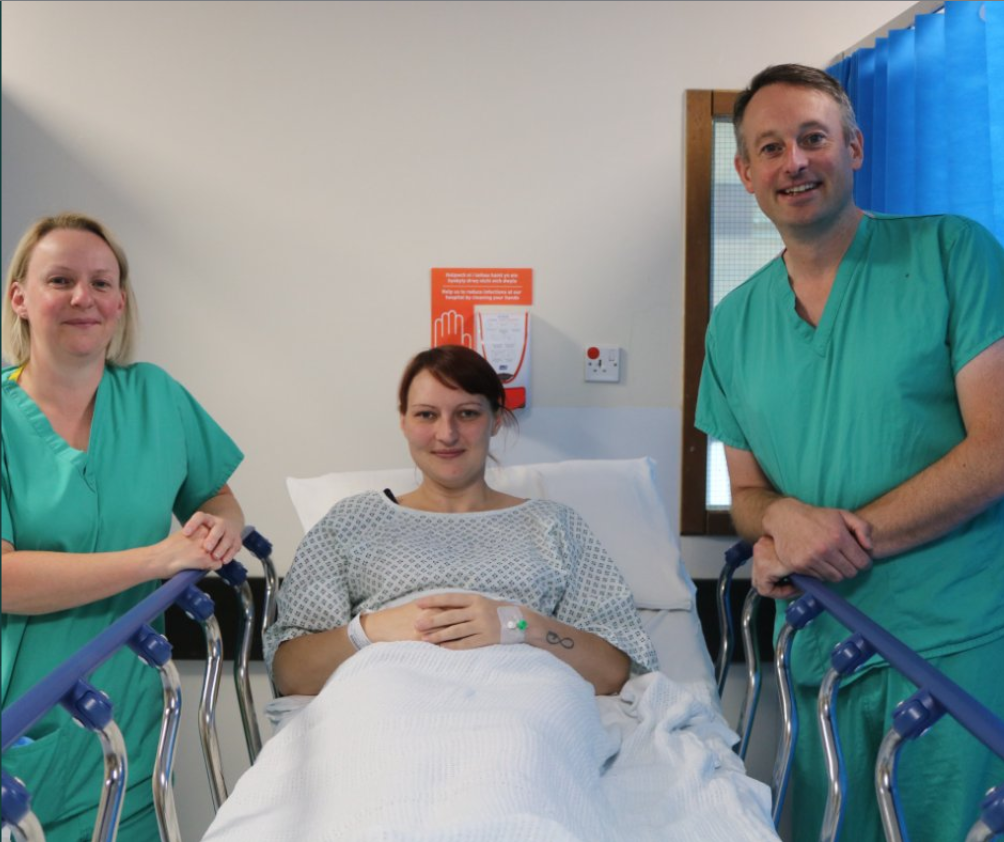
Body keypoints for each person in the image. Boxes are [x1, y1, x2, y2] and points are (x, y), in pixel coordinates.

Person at [695, 63, 1004, 842]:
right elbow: (746, 492)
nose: (793, 161)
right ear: (745, 173)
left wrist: (823, 540)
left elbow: (998, 446)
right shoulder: (733, 324)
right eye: (770, 148)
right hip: (819, 644)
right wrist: (782, 519)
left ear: (855, 148)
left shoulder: (950, 255)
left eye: (813, 138)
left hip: (952, 641)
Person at [1, 213, 245, 841]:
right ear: (20, 298)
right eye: (61, 280)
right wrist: (156, 560)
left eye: (101, 283)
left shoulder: (156, 398)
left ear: (120, 302)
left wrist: (220, 528)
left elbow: (217, 497)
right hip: (18, 725)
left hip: (124, 724)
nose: (84, 298)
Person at [266, 343, 658, 698]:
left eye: (467, 413)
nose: (447, 433)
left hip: (523, 705)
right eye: (426, 414)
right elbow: (291, 676)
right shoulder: (352, 522)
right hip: (388, 702)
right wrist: (372, 629)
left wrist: (517, 625)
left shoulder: (554, 526)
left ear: (496, 420)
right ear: (403, 421)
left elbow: (612, 674)